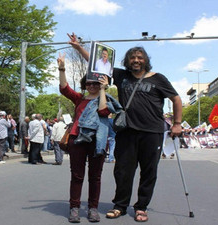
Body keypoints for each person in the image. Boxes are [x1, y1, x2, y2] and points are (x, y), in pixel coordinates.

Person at [68, 33, 182, 222]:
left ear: (145, 60)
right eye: (132, 58)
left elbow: (176, 99)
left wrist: (177, 124)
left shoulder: (159, 78)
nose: (136, 60)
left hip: (152, 132)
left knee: (148, 170)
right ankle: (120, 205)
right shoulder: (122, 76)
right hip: (126, 131)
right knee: (122, 170)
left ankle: (141, 207)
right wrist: (79, 48)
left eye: (140, 57)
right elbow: (96, 63)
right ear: (127, 61)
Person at [58, 51, 120, 223]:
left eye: (95, 83)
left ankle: (93, 208)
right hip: (77, 139)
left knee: (95, 177)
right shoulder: (79, 99)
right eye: (89, 83)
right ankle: (74, 208)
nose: (91, 86)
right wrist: (62, 69)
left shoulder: (105, 99)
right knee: (77, 176)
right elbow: (64, 89)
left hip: (98, 141)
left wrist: (103, 89)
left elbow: (102, 111)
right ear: (84, 85)